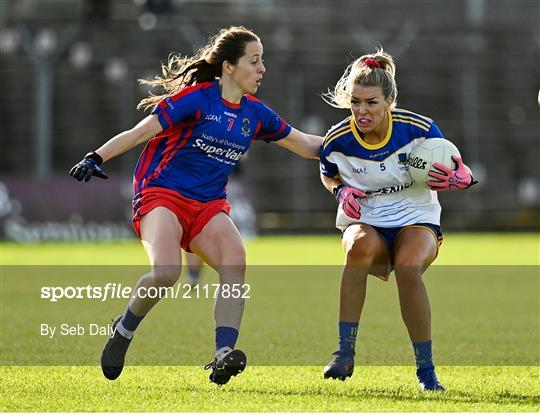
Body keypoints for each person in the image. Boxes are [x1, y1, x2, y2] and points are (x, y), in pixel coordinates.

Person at [69, 26, 322, 385]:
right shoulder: (197, 99)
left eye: (262, 60)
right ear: (229, 67)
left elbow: (308, 145)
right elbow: (142, 131)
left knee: (235, 262)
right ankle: (123, 330)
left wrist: (357, 140)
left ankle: (222, 354)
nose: (262, 68)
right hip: (161, 194)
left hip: (207, 205)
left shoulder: (256, 113)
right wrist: (98, 156)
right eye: (255, 60)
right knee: (167, 272)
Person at [319, 49, 476, 391]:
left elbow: (455, 164)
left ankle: (426, 371)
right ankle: (344, 352)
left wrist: (461, 177)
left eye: (371, 103)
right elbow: (328, 173)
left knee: (407, 266)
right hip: (367, 218)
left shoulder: (418, 128)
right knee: (357, 248)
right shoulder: (337, 139)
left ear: (389, 100)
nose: (362, 110)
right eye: (356, 102)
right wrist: (339, 192)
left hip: (416, 216)